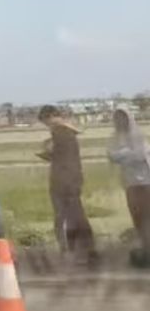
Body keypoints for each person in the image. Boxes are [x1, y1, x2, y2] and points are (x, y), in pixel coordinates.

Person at [37, 105, 98, 265]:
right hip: (71, 178)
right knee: (75, 215)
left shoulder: (60, 132)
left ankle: (70, 250)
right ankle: (86, 249)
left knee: (64, 218)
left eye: (45, 121)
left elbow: (62, 158)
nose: (47, 125)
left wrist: (48, 152)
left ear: (50, 116)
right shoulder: (67, 132)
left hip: (64, 181)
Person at [107, 107, 150, 266]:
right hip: (130, 183)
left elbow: (141, 155)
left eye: (123, 117)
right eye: (117, 118)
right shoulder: (114, 137)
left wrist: (123, 155)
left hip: (146, 181)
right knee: (137, 218)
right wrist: (127, 154)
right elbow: (112, 155)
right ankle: (145, 250)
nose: (120, 121)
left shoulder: (138, 136)